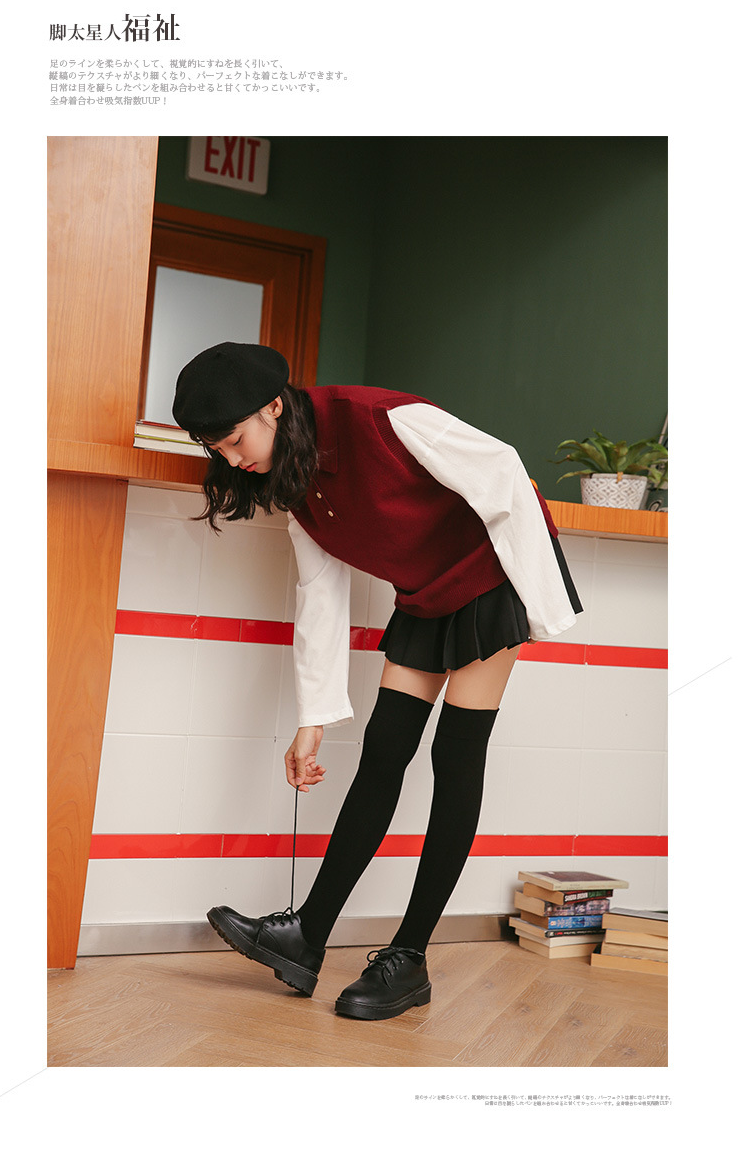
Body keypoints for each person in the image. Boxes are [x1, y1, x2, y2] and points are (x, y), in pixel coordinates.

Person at [171, 341, 582, 1021]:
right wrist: (312, 721)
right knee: (384, 750)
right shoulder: (294, 481)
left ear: (273, 406)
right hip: (425, 595)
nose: (232, 459)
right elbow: (321, 593)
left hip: (487, 578)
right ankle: (307, 934)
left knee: (455, 755)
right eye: (217, 449)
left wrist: (538, 606)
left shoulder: (382, 419)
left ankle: (409, 958)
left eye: (235, 440)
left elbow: (503, 467)